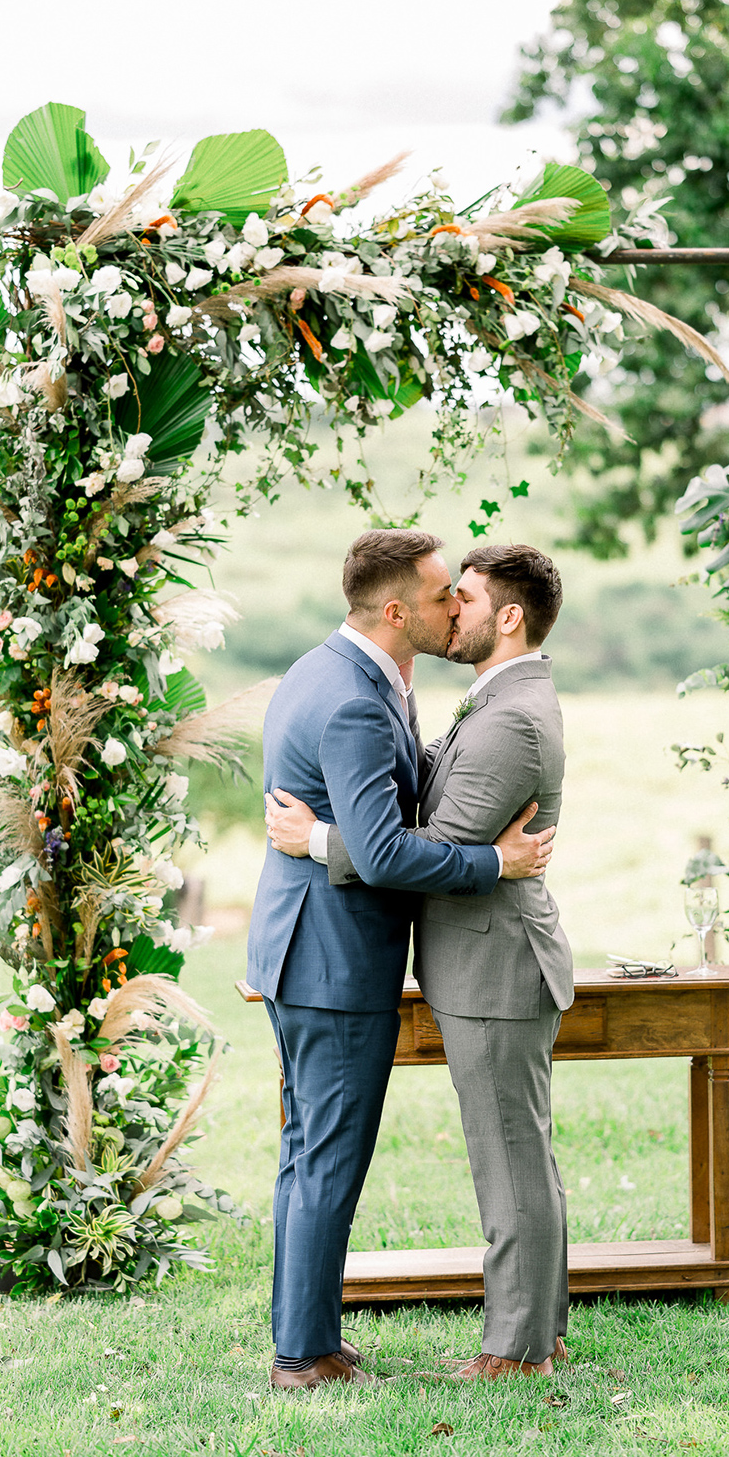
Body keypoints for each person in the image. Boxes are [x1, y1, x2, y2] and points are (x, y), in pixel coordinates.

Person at [247, 529, 555, 1391]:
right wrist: (499, 862)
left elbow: (384, 788)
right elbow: (382, 852)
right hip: (332, 964)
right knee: (328, 1157)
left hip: (304, 947)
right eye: (438, 595)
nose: (454, 606)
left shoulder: (338, 671)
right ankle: (303, 1357)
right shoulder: (351, 696)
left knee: (312, 1151)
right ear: (395, 611)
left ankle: (309, 1338)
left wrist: (315, 840)